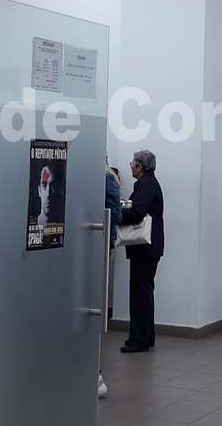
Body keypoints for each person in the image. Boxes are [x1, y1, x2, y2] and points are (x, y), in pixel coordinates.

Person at [118, 150, 164, 353]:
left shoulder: (145, 185)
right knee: (144, 293)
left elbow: (137, 212)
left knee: (139, 295)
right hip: (149, 249)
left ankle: (139, 340)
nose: (130, 166)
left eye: (132, 163)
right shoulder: (149, 183)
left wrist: (117, 213)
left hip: (145, 250)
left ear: (140, 167)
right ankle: (146, 337)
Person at [98, 159, 122, 399]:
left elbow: (114, 214)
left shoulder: (105, 179)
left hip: (100, 243)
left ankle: (95, 375)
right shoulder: (107, 178)